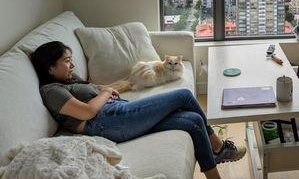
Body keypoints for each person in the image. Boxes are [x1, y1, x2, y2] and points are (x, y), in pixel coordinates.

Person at [30, 41, 245, 179]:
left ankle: (215, 169)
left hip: (117, 112)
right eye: (67, 61)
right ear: (50, 67)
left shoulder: (68, 79)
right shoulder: (52, 91)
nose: (72, 65)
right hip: (108, 122)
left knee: (192, 121)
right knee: (184, 96)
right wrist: (106, 93)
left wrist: (102, 89)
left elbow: (92, 88)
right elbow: (87, 112)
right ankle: (217, 146)